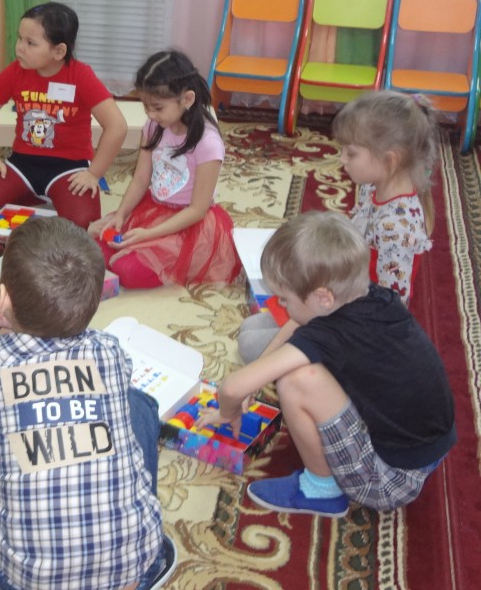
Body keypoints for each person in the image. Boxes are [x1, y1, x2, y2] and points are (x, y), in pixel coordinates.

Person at [0, 216, 177, 590]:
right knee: (137, 403)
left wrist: (6, 329)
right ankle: (129, 531)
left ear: (4, 298)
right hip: (134, 568)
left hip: (27, 580)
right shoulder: (108, 350)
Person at [199, 211, 455, 517]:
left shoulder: (331, 335)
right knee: (265, 338)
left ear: (323, 298)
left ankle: (321, 491)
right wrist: (260, 373)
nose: (280, 305)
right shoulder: (372, 295)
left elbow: (231, 388)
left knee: (295, 380)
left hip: (389, 480)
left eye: (284, 299)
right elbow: (298, 323)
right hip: (424, 449)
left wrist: (228, 413)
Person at [237, 90, 439, 363]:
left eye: (351, 153)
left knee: (250, 344)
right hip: (339, 293)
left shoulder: (396, 226)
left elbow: (391, 308)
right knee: (250, 328)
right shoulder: (373, 186)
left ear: (390, 160)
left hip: (357, 320)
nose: (342, 159)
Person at [0, 2, 127, 230]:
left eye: (30, 43)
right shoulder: (15, 71)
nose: (20, 48)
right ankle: (33, 193)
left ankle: (44, 193)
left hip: (69, 168)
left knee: (81, 224)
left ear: (58, 52)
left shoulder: (80, 75)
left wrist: (93, 174)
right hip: (22, 163)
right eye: (19, 38)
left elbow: (117, 126)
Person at [89, 49, 240, 289]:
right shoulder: (153, 126)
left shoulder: (208, 143)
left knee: (127, 270)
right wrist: (121, 214)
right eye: (146, 106)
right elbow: (141, 179)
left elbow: (197, 210)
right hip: (153, 209)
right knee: (98, 247)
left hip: (189, 224)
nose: (150, 114)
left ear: (187, 99)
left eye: (158, 108)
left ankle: (172, 258)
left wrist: (148, 235)